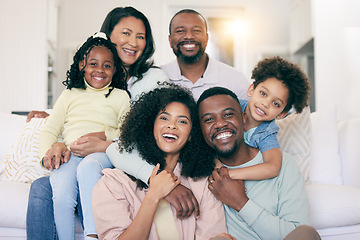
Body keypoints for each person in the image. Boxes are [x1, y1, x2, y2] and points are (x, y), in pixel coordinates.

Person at [26, 6, 169, 240]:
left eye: (140, 36)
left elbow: (141, 133)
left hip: (119, 163)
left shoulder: (150, 81)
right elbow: (72, 119)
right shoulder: (78, 89)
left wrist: (105, 143)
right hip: (79, 159)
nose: (133, 42)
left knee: (85, 173)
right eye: (126, 33)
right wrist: (57, 140)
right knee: (43, 187)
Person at [92, 83, 227, 240]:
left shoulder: (203, 184)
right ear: (150, 126)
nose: (172, 125)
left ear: (192, 134)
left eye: (182, 121)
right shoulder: (114, 184)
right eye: (164, 118)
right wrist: (153, 196)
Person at [40, 32, 131, 240]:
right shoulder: (70, 94)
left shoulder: (120, 96)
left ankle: (92, 236)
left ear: (115, 69)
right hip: (71, 154)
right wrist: (48, 154)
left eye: (107, 65)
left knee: (88, 167)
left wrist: (104, 135)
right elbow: (50, 130)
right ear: (82, 65)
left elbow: (127, 133)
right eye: (93, 64)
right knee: (61, 193)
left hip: (101, 154)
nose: (100, 70)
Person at [198, 87, 320, 240]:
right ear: (200, 129)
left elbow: (297, 233)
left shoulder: (284, 164)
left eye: (228, 115)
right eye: (209, 119)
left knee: (306, 233)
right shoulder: (201, 169)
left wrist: (241, 202)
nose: (220, 124)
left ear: (244, 118)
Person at [215, 56, 311, 181]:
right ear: (251, 90)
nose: (265, 104)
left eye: (276, 104)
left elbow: (272, 167)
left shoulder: (266, 133)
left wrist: (229, 174)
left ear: (282, 114)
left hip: (232, 177)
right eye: (263, 93)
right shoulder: (231, 107)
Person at [162, 9, 250, 101]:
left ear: (207, 38)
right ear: (170, 40)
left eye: (196, 30)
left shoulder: (235, 79)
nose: (189, 36)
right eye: (180, 31)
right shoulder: (157, 78)